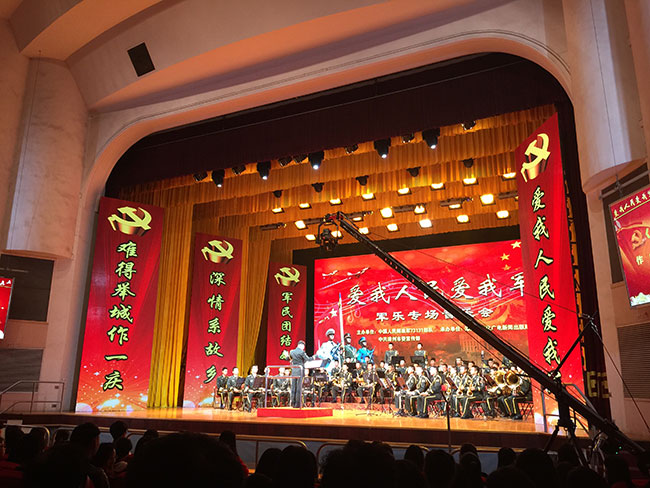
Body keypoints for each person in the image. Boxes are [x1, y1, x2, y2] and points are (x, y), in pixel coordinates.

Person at [290, 340, 313, 407]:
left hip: (294, 370)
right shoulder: (302, 352)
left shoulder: (292, 352)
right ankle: (297, 404)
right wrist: (314, 357)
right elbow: (308, 359)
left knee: (293, 387)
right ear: (302, 346)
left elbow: (288, 359)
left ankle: (292, 403)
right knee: (299, 388)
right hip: (300, 371)